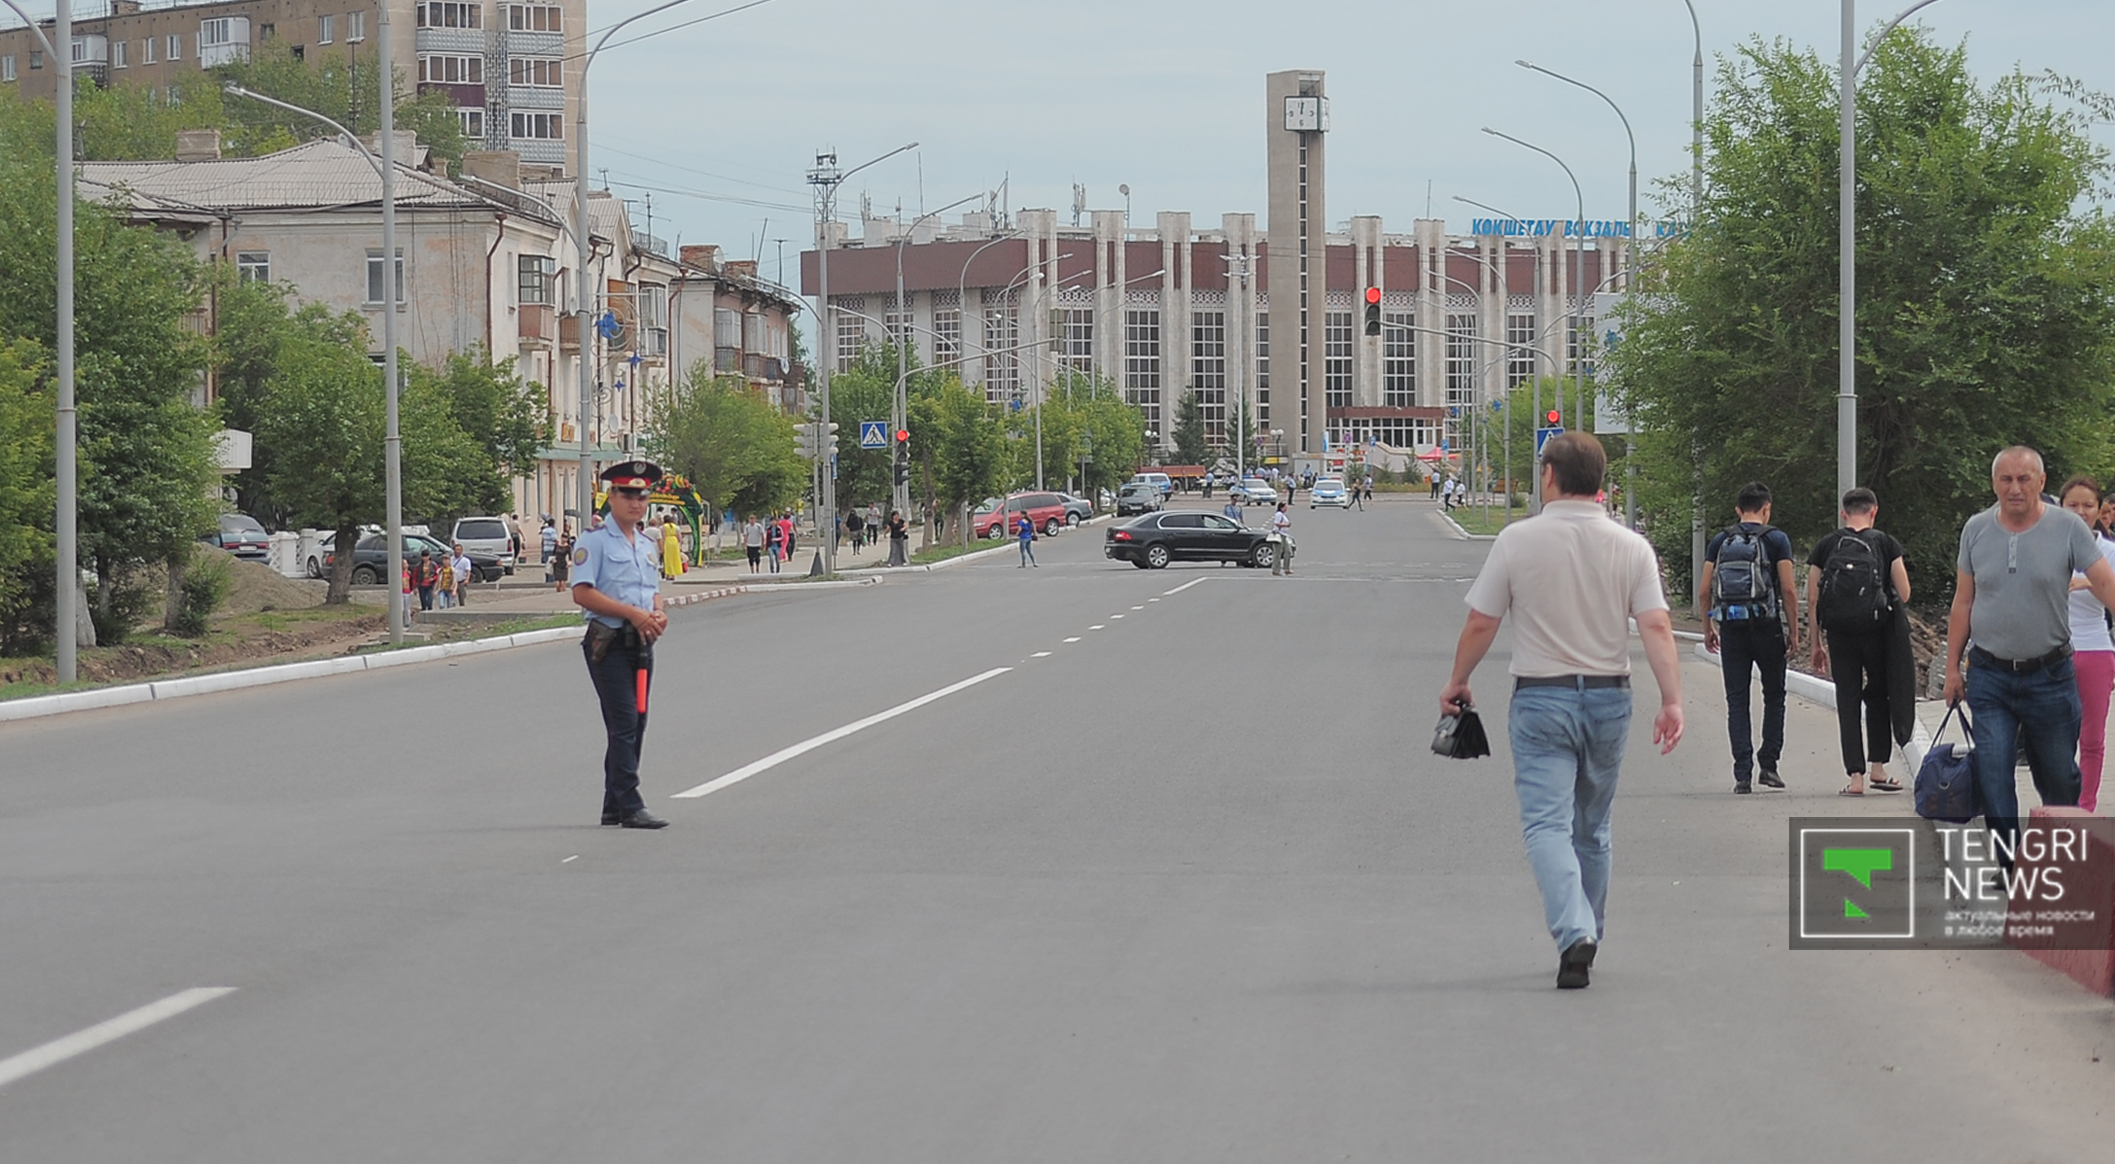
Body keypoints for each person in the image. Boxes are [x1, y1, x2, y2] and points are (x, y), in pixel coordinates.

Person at [1439, 432, 1685, 990]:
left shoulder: (1517, 541)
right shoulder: (1631, 547)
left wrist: (1458, 680)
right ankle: (1588, 933)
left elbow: (1482, 622)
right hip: (1609, 699)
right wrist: (1671, 700)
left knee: (1547, 824)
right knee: (1592, 829)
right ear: (1599, 481)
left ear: (1549, 475)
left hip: (1541, 699)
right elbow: (1655, 625)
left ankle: (1574, 930)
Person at [1944, 447, 2115, 859]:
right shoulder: (1976, 530)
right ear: (1994, 483)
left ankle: (2057, 857)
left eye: (2024, 479)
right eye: (2006, 479)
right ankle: (2009, 864)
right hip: (1990, 675)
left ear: (2041, 482)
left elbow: (2106, 585)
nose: (2015, 488)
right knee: (1994, 772)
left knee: (2060, 777)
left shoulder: (2067, 528)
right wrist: (1952, 668)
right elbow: (1963, 602)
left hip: (2050, 675)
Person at [571, 460, 672, 830]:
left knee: (637, 721)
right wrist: (631, 613)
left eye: (642, 495)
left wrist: (657, 614)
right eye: (627, 494)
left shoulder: (646, 544)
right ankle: (630, 802)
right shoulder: (593, 541)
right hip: (608, 643)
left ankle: (613, 804)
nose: (636, 502)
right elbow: (582, 593)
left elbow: (653, 591)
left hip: (642, 645)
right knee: (624, 720)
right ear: (610, 496)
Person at [1807, 487, 1913, 795]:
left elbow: (1813, 598)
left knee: (1847, 699)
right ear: (1874, 511)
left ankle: (1855, 777)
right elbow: (1904, 593)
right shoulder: (1885, 543)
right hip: (1877, 631)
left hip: (1839, 634)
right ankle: (1878, 768)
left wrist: (1816, 643)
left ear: (1843, 513)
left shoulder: (1827, 545)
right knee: (1879, 695)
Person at [1698, 482, 1798, 794]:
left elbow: (1703, 591)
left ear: (1738, 510)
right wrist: (1793, 632)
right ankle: (1768, 765)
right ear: (1767, 508)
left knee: (1737, 700)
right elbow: (1789, 589)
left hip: (1732, 629)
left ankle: (1742, 773)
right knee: (1774, 696)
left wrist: (1708, 627)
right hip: (1767, 627)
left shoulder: (1720, 540)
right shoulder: (1777, 539)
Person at [2060, 476, 2115, 813]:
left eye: (2088, 505)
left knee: (2091, 739)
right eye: (2072, 505)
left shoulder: (2108, 551)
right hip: (2051, 653)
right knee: (2054, 741)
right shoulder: (2045, 545)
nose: (2080, 512)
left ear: (2099, 510)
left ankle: (2085, 809)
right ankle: (2058, 805)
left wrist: (2088, 581)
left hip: (2095, 650)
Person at [1270, 502, 1293, 576]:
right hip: (1278, 535)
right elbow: (1277, 523)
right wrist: (1286, 525)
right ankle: (1275, 570)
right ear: (1281, 507)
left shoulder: (1283, 515)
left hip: (1284, 535)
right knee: (1277, 553)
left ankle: (1287, 568)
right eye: (1285, 507)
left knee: (1288, 551)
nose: (1286, 508)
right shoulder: (1279, 514)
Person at [661, 514, 684, 579]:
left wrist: (662, 546)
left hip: (668, 542)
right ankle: (673, 574)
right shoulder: (676, 527)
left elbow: (664, 537)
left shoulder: (664, 527)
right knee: (674, 558)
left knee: (668, 559)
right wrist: (680, 544)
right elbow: (679, 536)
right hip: (674, 541)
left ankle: (669, 574)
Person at [451, 542, 473, 607]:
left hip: (461, 581)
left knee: (461, 596)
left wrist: (467, 579)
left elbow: (468, 571)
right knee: (452, 596)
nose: (457, 551)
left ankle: (462, 606)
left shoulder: (466, 560)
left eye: (459, 550)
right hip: (452, 581)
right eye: (456, 550)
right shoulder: (450, 559)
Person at [550, 526, 572, 591]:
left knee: (562, 582)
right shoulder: (557, 545)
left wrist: (569, 562)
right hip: (557, 564)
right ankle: (558, 592)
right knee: (557, 583)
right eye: (563, 537)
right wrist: (553, 559)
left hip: (563, 564)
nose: (564, 539)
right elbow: (553, 553)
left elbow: (570, 556)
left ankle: (563, 593)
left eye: (566, 538)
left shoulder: (568, 547)